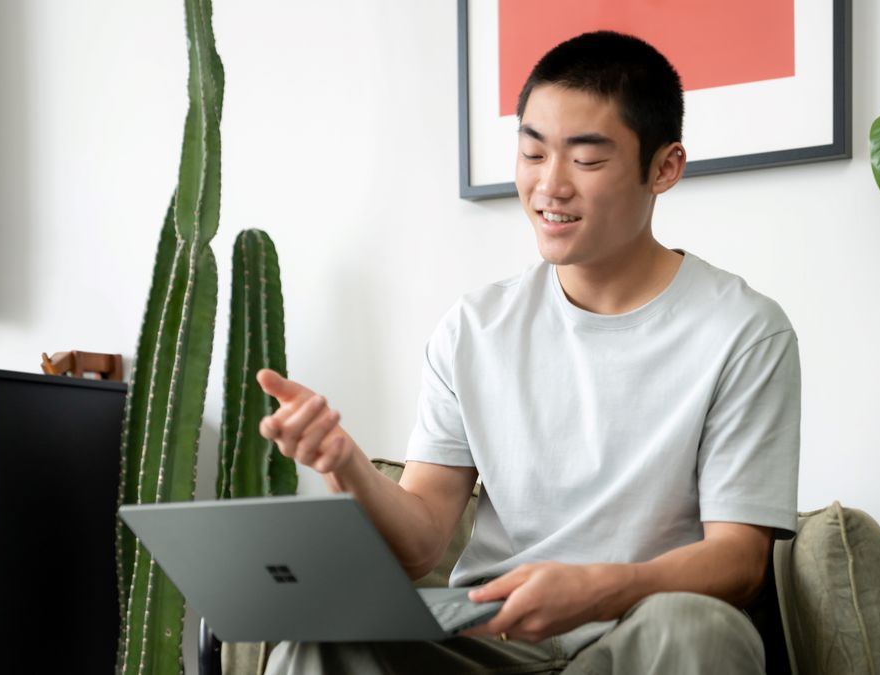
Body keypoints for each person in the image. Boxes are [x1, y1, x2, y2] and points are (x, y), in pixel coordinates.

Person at [258, 30, 799, 675]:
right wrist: (345, 463)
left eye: (587, 161)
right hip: (492, 636)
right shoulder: (473, 329)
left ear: (665, 168)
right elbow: (422, 542)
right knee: (317, 637)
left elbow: (738, 562)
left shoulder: (744, 331)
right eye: (532, 154)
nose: (551, 186)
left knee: (699, 629)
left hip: (642, 630)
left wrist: (597, 588)